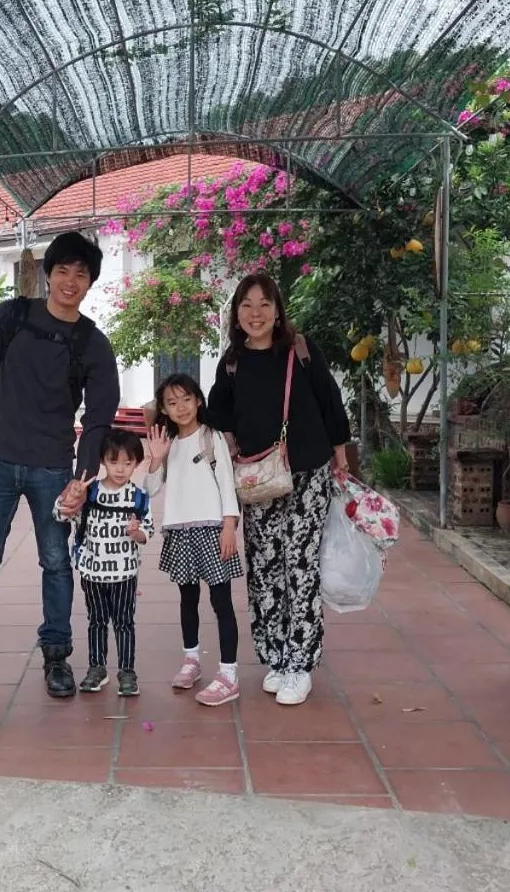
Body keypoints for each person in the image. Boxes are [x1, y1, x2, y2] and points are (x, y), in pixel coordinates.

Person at [0, 232, 120, 703]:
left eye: (81, 274)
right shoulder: (11, 316)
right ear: (48, 273)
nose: (70, 281)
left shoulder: (92, 343)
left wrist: (83, 477)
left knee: (56, 563)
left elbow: (100, 415)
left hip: (51, 469)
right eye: (63, 271)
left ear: (90, 282)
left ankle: (56, 655)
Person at [207, 274, 350, 707]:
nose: (255, 314)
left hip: (308, 472)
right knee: (266, 569)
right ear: (236, 313)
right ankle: (276, 657)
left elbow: (330, 404)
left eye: (264, 304)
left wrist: (341, 460)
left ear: (278, 309)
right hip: (258, 480)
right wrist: (229, 443)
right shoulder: (231, 362)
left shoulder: (301, 351)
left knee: (300, 565)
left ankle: (300, 664)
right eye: (246, 305)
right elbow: (217, 412)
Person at [143, 374, 244, 707]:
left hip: (214, 529)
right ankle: (191, 660)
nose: (180, 407)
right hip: (180, 530)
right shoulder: (167, 442)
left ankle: (228, 674)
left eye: (186, 399)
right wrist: (155, 458)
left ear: (198, 400)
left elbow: (228, 485)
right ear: (165, 410)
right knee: (187, 599)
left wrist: (229, 526)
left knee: (221, 602)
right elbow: (151, 489)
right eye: (171, 403)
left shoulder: (211, 436)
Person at [56, 429, 154, 697]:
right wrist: (69, 498)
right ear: (102, 461)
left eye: (128, 463)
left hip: (125, 572)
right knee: (96, 621)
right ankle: (96, 668)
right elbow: (61, 514)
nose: (121, 469)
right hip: (92, 572)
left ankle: (127, 671)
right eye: (114, 462)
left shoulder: (138, 496)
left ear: (136, 463)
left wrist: (137, 533)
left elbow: (148, 530)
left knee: (124, 622)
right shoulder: (89, 491)